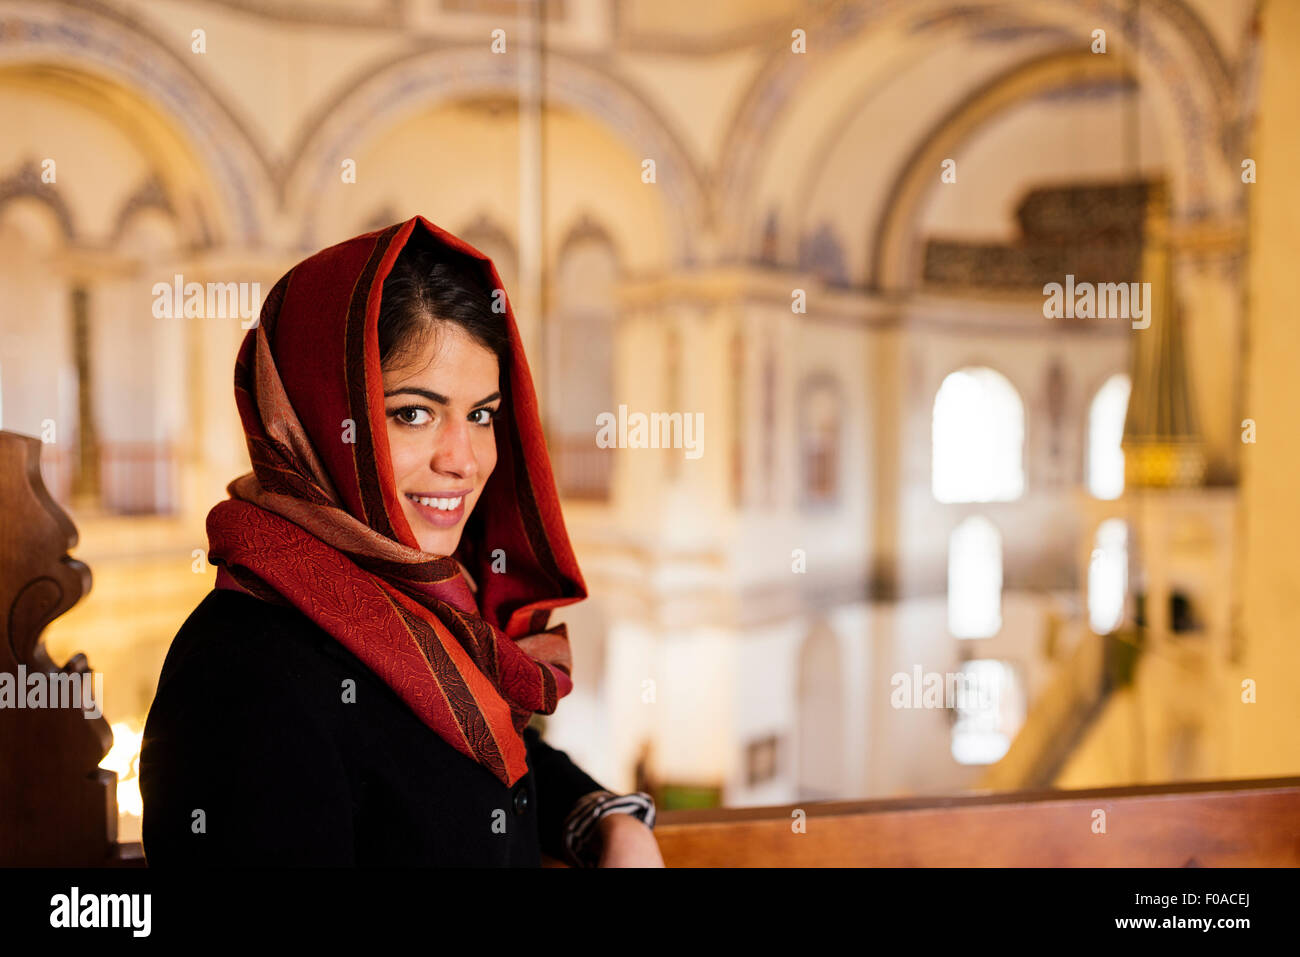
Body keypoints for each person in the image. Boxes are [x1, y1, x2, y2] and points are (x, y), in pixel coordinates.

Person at [139, 215, 663, 867]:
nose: (463, 459)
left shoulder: (430, 607)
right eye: (414, 412)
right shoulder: (240, 676)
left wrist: (609, 821)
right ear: (317, 418)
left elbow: (487, 770)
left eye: (481, 414)